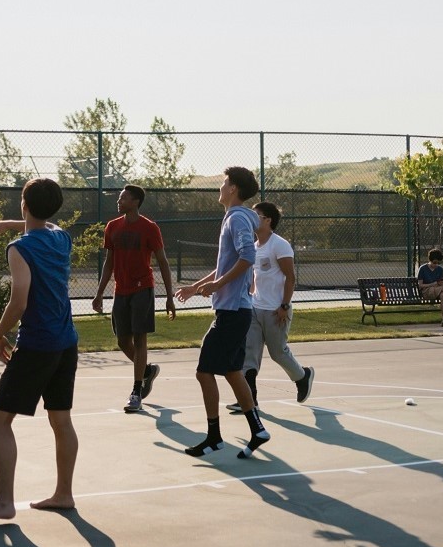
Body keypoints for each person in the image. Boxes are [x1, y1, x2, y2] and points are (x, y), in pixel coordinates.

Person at [0, 177, 81, 522]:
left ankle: (4, 502)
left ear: (23, 204)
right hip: (66, 342)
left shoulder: (20, 248)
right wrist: (10, 223)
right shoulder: (61, 237)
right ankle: (64, 494)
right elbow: (46, 223)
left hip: (37, 344)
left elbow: (19, 299)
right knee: (61, 419)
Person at [173, 166, 267, 459]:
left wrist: (217, 285)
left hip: (233, 312)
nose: (221, 187)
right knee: (231, 370)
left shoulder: (237, 217)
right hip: (237, 311)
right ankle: (257, 428)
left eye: (225, 183)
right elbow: (226, 264)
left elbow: (247, 257)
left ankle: (214, 436)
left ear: (234, 189)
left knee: (204, 372)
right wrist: (197, 286)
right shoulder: (235, 218)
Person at [89, 184, 176, 414]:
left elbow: (163, 262)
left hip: (142, 288)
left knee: (140, 340)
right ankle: (146, 371)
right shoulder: (112, 227)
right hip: (121, 290)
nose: (119, 201)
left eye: (123, 198)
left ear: (136, 201)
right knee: (122, 342)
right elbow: (109, 262)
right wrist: (99, 293)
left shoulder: (150, 228)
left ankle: (136, 391)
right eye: (119, 198)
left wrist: (169, 296)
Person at [234, 201, 314, 414]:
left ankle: (302, 376)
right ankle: (249, 399)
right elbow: (255, 276)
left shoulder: (279, 245)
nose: (252, 219)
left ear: (268, 220)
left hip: (276, 309)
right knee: (249, 354)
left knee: (278, 352)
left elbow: (290, 277)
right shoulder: (254, 246)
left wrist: (284, 305)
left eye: (256, 215)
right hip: (255, 308)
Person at [415, 249, 443, 327]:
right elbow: (420, 285)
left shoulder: (440, 269)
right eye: (434, 262)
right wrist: (432, 284)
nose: (436, 265)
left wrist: (440, 283)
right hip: (426, 291)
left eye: (438, 263)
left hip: (437, 290)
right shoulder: (423, 268)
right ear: (430, 260)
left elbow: (440, 282)